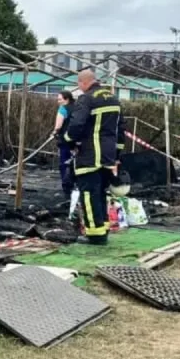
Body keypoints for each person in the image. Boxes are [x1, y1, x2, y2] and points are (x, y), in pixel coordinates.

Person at [64, 70, 127, 245]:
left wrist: (68, 141)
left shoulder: (86, 98)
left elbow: (76, 124)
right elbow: (121, 130)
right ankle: (103, 228)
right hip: (107, 156)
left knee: (88, 194)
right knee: (100, 193)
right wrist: (116, 155)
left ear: (83, 82)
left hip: (89, 155)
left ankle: (95, 235)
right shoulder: (113, 99)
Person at [52, 90, 75, 198]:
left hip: (65, 141)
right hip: (77, 142)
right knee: (76, 164)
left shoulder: (63, 109)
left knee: (64, 164)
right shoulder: (78, 108)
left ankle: (67, 189)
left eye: (60, 99)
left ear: (67, 99)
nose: (58, 101)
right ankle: (76, 186)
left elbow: (58, 126)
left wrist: (54, 133)